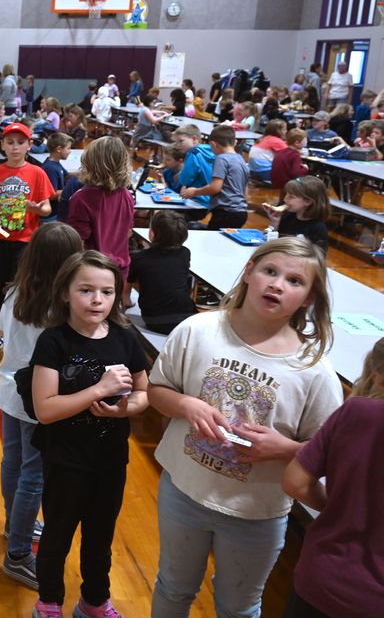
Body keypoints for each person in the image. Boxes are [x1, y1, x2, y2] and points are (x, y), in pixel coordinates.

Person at [146, 238, 343, 618]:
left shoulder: (314, 372)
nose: (277, 284)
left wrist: (284, 448)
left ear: (307, 299)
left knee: (239, 606)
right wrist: (186, 404)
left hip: (258, 512)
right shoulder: (197, 330)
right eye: (270, 271)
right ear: (250, 272)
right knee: (172, 587)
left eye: (294, 281)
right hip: (183, 492)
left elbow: (330, 452)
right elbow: (156, 391)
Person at [29, 250, 149, 618]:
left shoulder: (126, 339)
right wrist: (98, 389)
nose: (97, 300)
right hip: (65, 459)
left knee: (100, 538)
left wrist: (125, 408)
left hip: (110, 459)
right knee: (57, 537)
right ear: (65, 292)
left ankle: (94, 600)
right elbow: (45, 410)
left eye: (107, 292)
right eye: (86, 290)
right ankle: (49, 601)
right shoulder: (53, 341)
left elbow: (145, 394)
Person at [0, 223, 84, 590]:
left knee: (13, 463)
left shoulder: (16, 292)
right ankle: (18, 553)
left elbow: (1, 333)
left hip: (10, 392)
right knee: (34, 475)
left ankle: (12, 524)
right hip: (38, 401)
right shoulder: (60, 307)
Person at [281, 338, 384, 617]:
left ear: (376, 374)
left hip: (324, 579)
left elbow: (295, 482)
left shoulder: (357, 411)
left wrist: (343, 508)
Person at [0, 123, 54, 351]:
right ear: (2, 145)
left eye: (20, 142)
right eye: (10, 142)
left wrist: (37, 209)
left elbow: (47, 208)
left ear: (29, 145)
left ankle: (17, 329)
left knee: (20, 287)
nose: (15, 147)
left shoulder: (37, 173)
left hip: (25, 241)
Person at [67, 136, 135, 279]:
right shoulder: (127, 195)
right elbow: (128, 232)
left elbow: (78, 242)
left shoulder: (82, 198)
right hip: (120, 269)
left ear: (90, 164)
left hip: (92, 270)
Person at [125, 211, 197, 334]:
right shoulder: (185, 253)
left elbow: (126, 290)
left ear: (152, 234)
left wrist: (127, 302)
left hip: (154, 320)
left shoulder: (138, 258)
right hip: (187, 318)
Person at [180, 125, 248, 230]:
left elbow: (215, 187)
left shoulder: (221, 159)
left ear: (213, 144)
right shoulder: (241, 160)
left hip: (225, 211)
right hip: (241, 211)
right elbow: (245, 189)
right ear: (234, 142)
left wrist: (194, 192)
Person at [261, 176, 330, 252]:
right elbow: (269, 242)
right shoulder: (286, 217)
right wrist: (275, 223)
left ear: (307, 201)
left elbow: (318, 257)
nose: (285, 199)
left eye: (291, 197)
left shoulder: (317, 229)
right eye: (286, 194)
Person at [41, 133, 72, 222]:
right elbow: (51, 194)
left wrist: (83, 174)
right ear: (59, 149)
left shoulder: (55, 163)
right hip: (51, 216)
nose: (70, 151)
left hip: (55, 213)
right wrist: (70, 190)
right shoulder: (50, 168)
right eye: (68, 148)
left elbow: (67, 175)